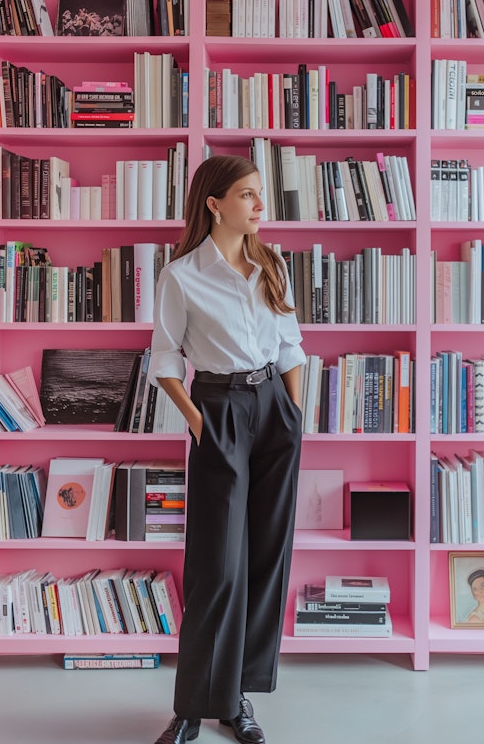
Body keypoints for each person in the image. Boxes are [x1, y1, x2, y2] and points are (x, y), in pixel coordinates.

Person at [148, 155, 306, 744]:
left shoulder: (272, 263)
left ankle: (236, 698)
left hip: (274, 411)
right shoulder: (182, 275)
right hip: (217, 410)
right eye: (247, 195)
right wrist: (196, 422)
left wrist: (293, 416)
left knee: (266, 556)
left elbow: (291, 344)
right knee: (217, 563)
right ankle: (192, 707)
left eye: (259, 194)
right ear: (214, 203)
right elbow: (164, 360)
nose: (259, 205)